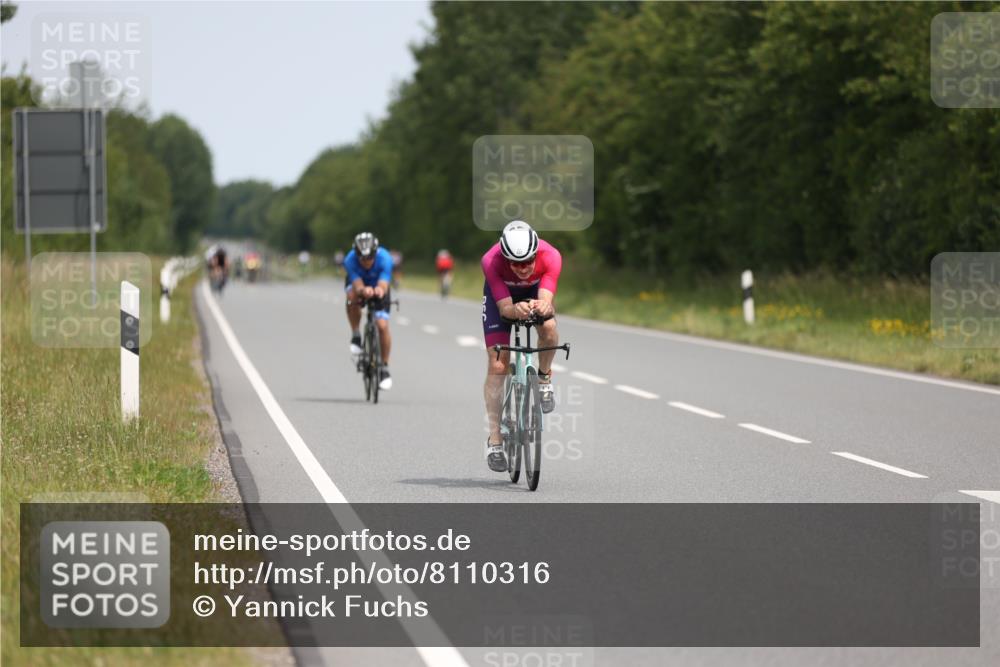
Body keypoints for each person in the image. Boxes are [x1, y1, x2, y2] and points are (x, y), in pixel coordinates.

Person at [481, 221, 562, 472]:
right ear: (506, 258)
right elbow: (505, 309)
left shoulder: (551, 256)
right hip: (501, 299)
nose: (524, 268)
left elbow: (546, 299)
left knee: (549, 328)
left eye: (528, 262)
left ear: (536, 253)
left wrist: (543, 306)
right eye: (516, 264)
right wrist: (514, 310)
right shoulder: (491, 261)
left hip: (534, 292)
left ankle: (544, 379)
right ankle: (495, 441)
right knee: (498, 364)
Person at [344, 232, 394, 390]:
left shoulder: (385, 258)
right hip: (359, 284)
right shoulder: (350, 260)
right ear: (356, 255)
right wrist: (362, 291)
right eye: (362, 258)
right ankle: (356, 334)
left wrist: (379, 290)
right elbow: (357, 284)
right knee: (351, 298)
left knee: (382, 325)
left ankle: (384, 368)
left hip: (378, 283)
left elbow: (384, 283)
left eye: (370, 257)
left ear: (375, 253)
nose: (366, 262)